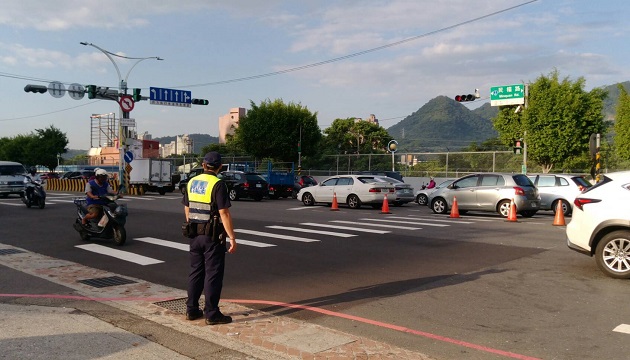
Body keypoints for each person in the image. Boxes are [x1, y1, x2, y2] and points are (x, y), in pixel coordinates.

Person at [182, 151, 237, 325]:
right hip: (212, 236)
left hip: (194, 234)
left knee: (195, 272)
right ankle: (212, 313)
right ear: (220, 166)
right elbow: (224, 212)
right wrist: (232, 237)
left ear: (203, 165)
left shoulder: (192, 182)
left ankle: (191, 309)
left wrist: (193, 224)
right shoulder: (218, 184)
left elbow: (187, 208)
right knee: (213, 273)